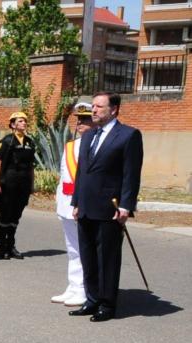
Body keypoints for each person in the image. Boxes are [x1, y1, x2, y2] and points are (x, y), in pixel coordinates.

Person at [70, 92, 143, 322]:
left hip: (110, 207)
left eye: (99, 107)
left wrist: (126, 206)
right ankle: (91, 300)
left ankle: (107, 304)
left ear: (114, 110)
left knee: (107, 258)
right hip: (86, 206)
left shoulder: (128, 135)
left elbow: (131, 174)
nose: (94, 110)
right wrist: (76, 201)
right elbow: (82, 171)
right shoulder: (89, 135)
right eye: (93, 106)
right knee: (88, 256)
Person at [52, 102, 94, 307]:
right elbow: (63, 174)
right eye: (78, 120)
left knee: (86, 248)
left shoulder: (95, 144)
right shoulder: (70, 145)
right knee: (73, 249)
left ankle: (86, 289)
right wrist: (59, 200)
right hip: (67, 202)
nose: (80, 124)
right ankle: (74, 286)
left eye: (85, 119)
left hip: (84, 204)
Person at [0, 112, 36, 260]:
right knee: (5, 215)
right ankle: (2, 247)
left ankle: (11, 245)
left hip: (23, 183)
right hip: (8, 181)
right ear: (12, 124)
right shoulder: (6, 141)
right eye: (20, 121)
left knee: (16, 216)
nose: (24, 123)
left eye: (25, 121)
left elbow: (31, 166)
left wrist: (32, 184)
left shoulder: (30, 142)